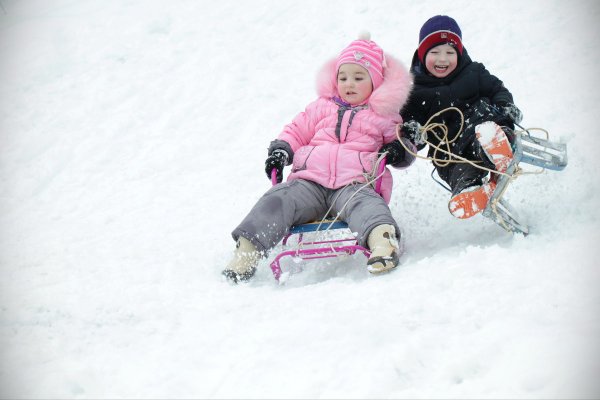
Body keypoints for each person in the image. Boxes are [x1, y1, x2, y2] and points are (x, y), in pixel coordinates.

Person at [223, 33, 416, 283]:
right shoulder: (320, 107)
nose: (350, 83)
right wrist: (281, 150)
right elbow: (296, 130)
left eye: (359, 78)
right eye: (343, 77)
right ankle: (246, 253)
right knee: (279, 199)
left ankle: (382, 242)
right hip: (309, 183)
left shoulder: (385, 115)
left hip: (354, 184)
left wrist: (401, 148)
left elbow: (402, 150)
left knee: (368, 206)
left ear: (375, 83)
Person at [400, 15, 524, 219]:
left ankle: (500, 148)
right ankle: (470, 191)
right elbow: (408, 126)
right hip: (451, 152)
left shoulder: (473, 73)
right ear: (422, 55)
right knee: (452, 168)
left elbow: (497, 89)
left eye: (450, 52)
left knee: (486, 129)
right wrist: (414, 133)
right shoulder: (414, 93)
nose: (442, 59)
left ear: (459, 53)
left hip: (479, 129)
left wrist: (505, 106)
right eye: (435, 52)